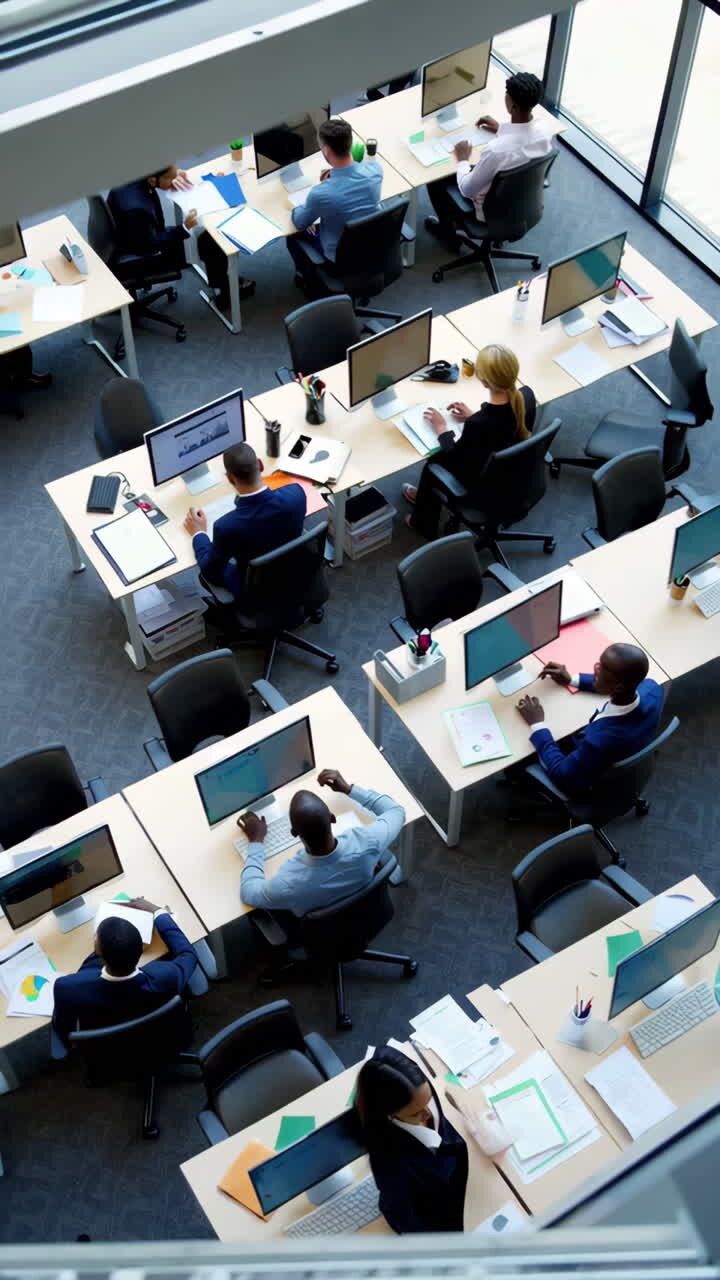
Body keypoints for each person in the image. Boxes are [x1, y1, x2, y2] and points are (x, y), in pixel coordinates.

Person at [403, 344, 535, 538]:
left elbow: (453, 456)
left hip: (484, 487)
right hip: (513, 478)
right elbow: (500, 427)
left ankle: (422, 523)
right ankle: (424, 498)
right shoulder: (527, 396)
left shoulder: (479, 424)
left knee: (434, 464)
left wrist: (441, 429)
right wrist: (474, 415)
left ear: (484, 381)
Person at [238, 767, 404, 918]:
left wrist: (256, 841)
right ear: (332, 818)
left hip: (326, 937)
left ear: (294, 833)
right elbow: (396, 811)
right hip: (370, 914)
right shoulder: (368, 842)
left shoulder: (287, 884)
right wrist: (348, 789)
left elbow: (249, 892)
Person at [354, 1047, 481, 1233]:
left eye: (428, 1100)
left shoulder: (417, 1092)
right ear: (389, 1114)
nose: (428, 1113)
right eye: (415, 1113)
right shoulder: (389, 1164)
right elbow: (409, 1221)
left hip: (460, 1190)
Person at [516, 643, 664, 796]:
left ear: (618, 687)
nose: (596, 668)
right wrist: (571, 679)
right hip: (624, 750)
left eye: (602, 669)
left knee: (520, 755)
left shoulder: (601, 741)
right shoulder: (653, 690)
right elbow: (618, 687)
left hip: (583, 773)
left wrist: (537, 724)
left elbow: (562, 773)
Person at [425, 71, 551, 247]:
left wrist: (463, 160)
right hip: (522, 204)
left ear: (512, 104)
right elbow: (521, 143)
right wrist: (501, 129)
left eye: (507, 95)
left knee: (436, 180)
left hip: (490, 213)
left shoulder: (496, 151)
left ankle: (448, 236)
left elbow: (467, 190)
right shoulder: (544, 130)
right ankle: (497, 237)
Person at [52, 897, 197, 1046]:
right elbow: (188, 954)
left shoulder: (68, 987)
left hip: (109, 1054)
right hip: (160, 1043)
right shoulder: (166, 977)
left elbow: (63, 1028)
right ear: (141, 949)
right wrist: (158, 912)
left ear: (97, 950)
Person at [107, 164, 255, 309]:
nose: (175, 179)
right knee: (211, 242)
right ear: (152, 180)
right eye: (171, 178)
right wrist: (184, 227)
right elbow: (151, 246)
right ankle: (227, 294)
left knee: (203, 239)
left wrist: (173, 176)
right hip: (143, 256)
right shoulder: (137, 210)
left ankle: (221, 282)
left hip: (132, 238)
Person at [183, 442, 306, 598]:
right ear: (260, 465)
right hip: (296, 571)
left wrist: (199, 534)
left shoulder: (226, 527)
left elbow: (211, 571)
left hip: (257, 592)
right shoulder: (296, 494)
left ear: (229, 478)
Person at [287, 118, 383, 294]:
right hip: (372, 249)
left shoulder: (321, 194)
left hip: (339, 259)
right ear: (350, 144)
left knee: (293, 235)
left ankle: (311, 284)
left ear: (326, 150)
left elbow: (299, 221)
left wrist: (302, 203)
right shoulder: (375, 171)